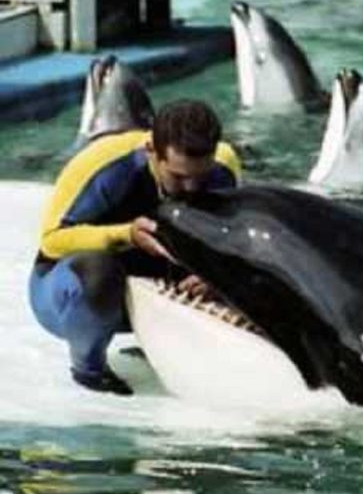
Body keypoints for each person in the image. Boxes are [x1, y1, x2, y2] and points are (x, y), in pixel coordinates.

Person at [28, 99, 242, 396]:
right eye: (178, 176)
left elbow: (229, 241)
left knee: (244, 273)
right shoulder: (106, 164)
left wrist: (213, 275)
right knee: (98, 271)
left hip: (154, 292)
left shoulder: (223, 166)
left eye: (200, 176)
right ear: (152, 150)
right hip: (68, 294)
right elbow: (52, 242)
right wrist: (125, 234)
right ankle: (89, 368)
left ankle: (163, 346)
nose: (192, 188)